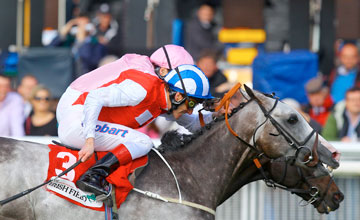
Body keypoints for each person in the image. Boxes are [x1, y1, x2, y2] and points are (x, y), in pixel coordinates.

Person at [56, 45, 223, 196]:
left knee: (139, 142)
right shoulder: (143, 87)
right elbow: (94, 97)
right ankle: (93, 176)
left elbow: (193, 124)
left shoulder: (162, 96)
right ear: (165, 73)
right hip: (77, 116)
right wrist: (90, 139)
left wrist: (219, 115)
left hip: (79, 114)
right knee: (142, 141)